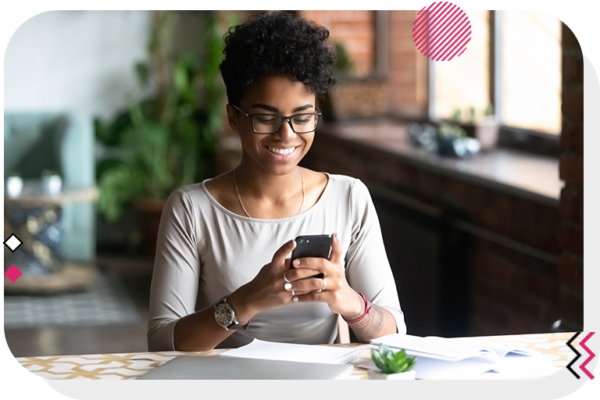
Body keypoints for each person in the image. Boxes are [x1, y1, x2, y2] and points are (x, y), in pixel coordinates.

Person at [147, 11, 406, 352]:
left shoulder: (349, 198)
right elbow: (162, 343)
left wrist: (351, 303)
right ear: (233, 118)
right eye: (266, 118)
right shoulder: (192, 210)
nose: (287, 135)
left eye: (302, 117)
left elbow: (395, 336)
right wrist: (245, 302)